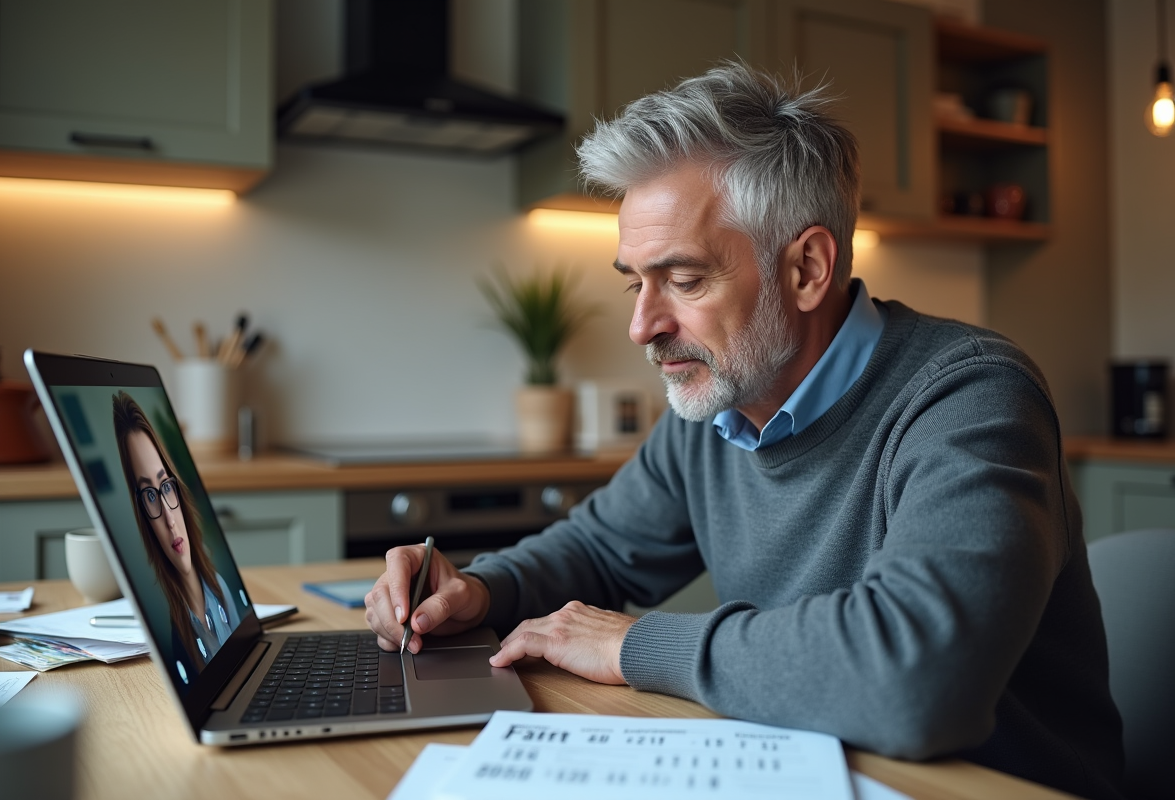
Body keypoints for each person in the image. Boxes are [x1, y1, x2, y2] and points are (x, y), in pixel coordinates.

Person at [364, 63, 1123, 799]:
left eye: (685, 280)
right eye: (636, 282)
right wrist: (478, 587)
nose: (641, 326)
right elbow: (601, 549)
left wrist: (634, 645)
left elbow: (919, 677)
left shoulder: (971, 395)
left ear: (807, 269)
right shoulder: (718, 402)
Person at [112, 391, 240, 678]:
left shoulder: (219, 589)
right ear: (141, 514)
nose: (170, 520)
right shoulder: (177, 641)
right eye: (149, 495)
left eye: (166, 487)